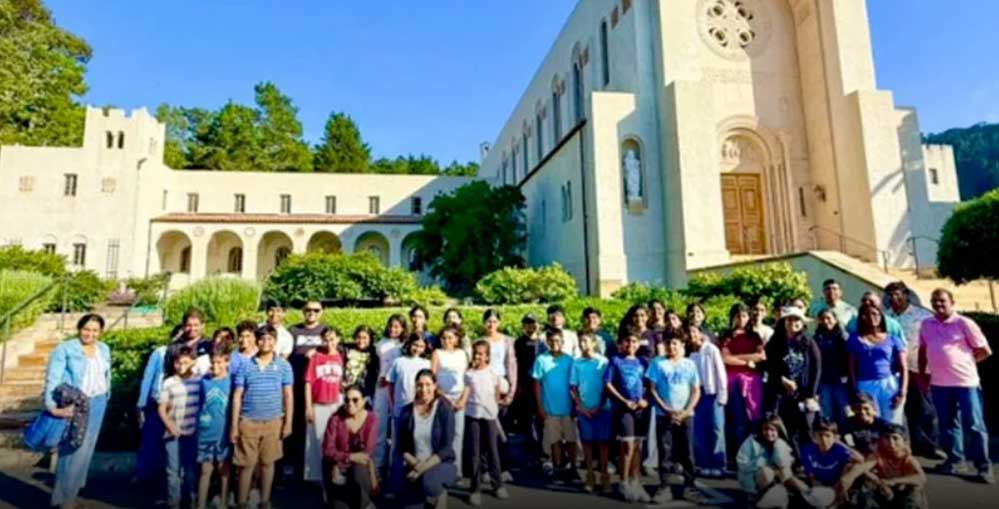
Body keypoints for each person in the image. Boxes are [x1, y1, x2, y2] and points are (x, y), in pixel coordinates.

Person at [918, 288, 994, 483]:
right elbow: (923, 350)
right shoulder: (926, 324)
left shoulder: (964, 323)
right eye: (934, 301)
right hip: (939, 384)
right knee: (948, 425)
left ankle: (983, 467)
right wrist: (923, 375)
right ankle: (955, 460)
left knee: (975, 425)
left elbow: (985, 350)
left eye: (942, 300)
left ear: (952, 302)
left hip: (965, 384)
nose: (938, 304)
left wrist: (967, 363)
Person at [45, 314, 111, 509]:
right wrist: (52, 407)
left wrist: (107, 395)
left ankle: (64, 497)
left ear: (100, 332)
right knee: (73, 449)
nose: (90, 334)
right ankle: (65, 500)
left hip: (98, 402)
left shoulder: (104, 349)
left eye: (95, 330)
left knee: (87, 449)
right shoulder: (65, 349)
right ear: (79, 329)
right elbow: (53, 379)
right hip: (77, 405)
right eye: (86, 329)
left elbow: (106, 375)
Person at [230, 325, 294, 509]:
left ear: (275, 342)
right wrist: (234, 426)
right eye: (262, 339)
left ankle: (265, 500)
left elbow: (288, 395)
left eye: (270, 339)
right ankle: (242, 502)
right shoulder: (246, 365)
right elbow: (237, 396)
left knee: (267, 463)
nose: (266, 342)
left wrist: (288, 423)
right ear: (256, 341)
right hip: (248, 422)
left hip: (273, 422)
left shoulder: (283, 366)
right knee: (246, 465)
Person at [884, 282, 941, 459]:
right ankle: (909, 445)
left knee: (925, 409)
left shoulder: (922, 316)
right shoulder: (886, 317)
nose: (894, 298)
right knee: (904, 409)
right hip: (896, 370)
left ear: (906, 295)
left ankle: (929, 446)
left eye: (898, 294)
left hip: (919, 368)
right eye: (891, 295)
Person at [645, 333, 701, 504]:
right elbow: (652, 389)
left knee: (687, 452)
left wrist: (686, 411)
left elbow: (696, 390)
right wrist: (666, 409)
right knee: (665, 452)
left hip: (686, 415)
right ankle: (664, 487)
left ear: (682, 345)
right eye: (668, 343)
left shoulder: (690, 364)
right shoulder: (657, 363)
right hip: (664, 415)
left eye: (675, 343)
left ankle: (690, 487)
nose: (671, 347)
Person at [394, 369, 458, 509]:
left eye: (428, 384)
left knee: (429, 484)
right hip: (414, 464)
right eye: (420, 385)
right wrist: (417, 465)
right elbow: (401, 446)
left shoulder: (444, 408)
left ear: (435, 386)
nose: (423, 389)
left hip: (439, 463)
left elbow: (446, 449)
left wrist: (421, 469)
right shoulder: (406, 411)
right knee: (403, 496)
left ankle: (440, 492)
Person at [459, 340, 509, 505]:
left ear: (487, 356)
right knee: (475, 452)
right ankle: (475, 489)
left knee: (493, 450)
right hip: (473, 415)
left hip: (489, 417)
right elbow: (466, 393)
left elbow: (498, 393)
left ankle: (497, 485)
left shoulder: (493, 373)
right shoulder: (469, 374)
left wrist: (494, 407)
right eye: (476, 354)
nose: (478, 357)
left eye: (481, 354)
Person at [765, 307, 822, 445]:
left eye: (796, 320)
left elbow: (816, 368)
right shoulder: (776, 340)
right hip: (782, 393)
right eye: (789, 319)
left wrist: (811, 395)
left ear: (802, 323)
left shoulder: (809, 342)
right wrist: (781, 378)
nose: (793, 323)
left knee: (806, 429)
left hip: (803, 394)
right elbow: (768, 364)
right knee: (785, 429)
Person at [604, 334, 650, 503]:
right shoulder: (615, 360)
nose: (630, 344)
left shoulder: (643, 362)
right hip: (623, 409)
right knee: (627, 445)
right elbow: (608, 383)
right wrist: (624, 401)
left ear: (638, 344)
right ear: (622, 343)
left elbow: (649, 384)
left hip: (640, 410)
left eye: (634, 341)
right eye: (627, 341)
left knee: (638, 446)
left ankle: (635, 482)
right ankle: (623, 482)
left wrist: (645, 400)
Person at [287, 301, 328, 482]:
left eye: (316, 310)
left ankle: (315, 468)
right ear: (303, 311)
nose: (312, 313)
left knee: (316, 427)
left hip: (317, 387)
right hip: (296, 385)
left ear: (321, 312)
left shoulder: (326, 330)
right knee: (296, 426)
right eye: (308, 310)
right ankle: (295, 467)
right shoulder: (293, 331)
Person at [840, 424, 928, 508]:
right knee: (865, 484)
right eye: (887, 437)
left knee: (915, 488)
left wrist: (893, 481)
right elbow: (862, 467)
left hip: (903, 494)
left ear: (904, 441)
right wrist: (848, 477)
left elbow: (922, 477)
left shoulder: (907, 459)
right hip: (884, 491)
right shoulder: (879, 454)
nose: (891, 442)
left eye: (895, 438)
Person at [847, 303, 907, 425]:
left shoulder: (893, 339)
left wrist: (902, 391)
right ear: (862, 317)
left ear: (881, 317)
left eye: (875, 314)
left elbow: (903, 367)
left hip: (888, 384)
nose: (871, 317)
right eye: (867, 314)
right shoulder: (854, 339)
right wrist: (854, 389)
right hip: (865, 385)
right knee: (871, 421)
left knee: (892, 422)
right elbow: (851, 366)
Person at [159, 346, 202, 509]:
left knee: (190, 469)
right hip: (172, 432)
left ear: (193, 362)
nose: (181, 366)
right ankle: (173, 502)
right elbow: (161, 408)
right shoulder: (169, 382)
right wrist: (169, 426)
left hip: (192, 432)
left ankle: (191, 499)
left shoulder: (199, 381)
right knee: (173, 470)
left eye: (186, 362)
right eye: (178, 362)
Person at [387, 334, 432, 488]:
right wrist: (393, 404)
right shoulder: (399, 362)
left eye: (421, 346)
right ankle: (395, 480)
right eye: (415, 345)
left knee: (418, 445)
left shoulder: (427, 363)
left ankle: (418, 478)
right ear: (409, 344)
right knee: (398, 445)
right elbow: (391, 384)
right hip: (400, 410)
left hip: (420, 411)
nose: (417, 348)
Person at [323, 385, 379, 509]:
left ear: (364, 401)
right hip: (336, 468)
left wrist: (342, 459)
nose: (350, 404)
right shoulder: (335, 419)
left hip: (359, 470)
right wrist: (349, 457)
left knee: (358, 470)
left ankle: (366, 505)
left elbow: (367, 453)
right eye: (347, 400)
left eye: (355, 400)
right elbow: (327, 450)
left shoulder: (371, 419)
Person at [532, 328, 577, 481]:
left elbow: (574, 384)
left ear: (563, 342)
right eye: (551, 341)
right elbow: (537, 385)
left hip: (568, 407)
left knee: (571, 440)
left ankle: (573, 467)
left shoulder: (570, 360)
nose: (554, 343)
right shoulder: (541, 359)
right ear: (547, 342)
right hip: (550, 407)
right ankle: (558, 467)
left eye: (557, 340)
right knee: (554, 440)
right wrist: (540, 406)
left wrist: (576, 405)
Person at [570, 333, 611, 494]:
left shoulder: (603, 362)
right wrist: (581, 406)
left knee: (603, 444)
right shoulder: (576, 362)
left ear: (593, 343)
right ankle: (590, 476)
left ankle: (605, 476)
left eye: (585, 341)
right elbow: (573, 387)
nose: (582, 344)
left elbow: (608, 386)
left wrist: (598, 406)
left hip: (603, 408)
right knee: (587, 443)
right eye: (581, 341)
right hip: (584, 409)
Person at [721, 303, 766, 451]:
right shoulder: (727, 336)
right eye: (738, 316)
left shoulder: (754, 336)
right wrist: (748, 361)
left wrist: (737, 357)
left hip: (753, 382)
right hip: (733, 382)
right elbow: (725, 358)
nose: (741, 319)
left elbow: (761, 356)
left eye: (744, 315)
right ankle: (739, 453)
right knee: (737, 418)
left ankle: (756, 452)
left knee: (754, 417)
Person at [304, 328, 345, 487]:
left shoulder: (340, 356)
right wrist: (308, 406)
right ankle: (319, 477)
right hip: (319, 404)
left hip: (336, 404)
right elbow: (308, 382)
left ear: (338, 339)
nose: (329, 343)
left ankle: (335, 473)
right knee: (319, 441)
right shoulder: (316, 357)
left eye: (332, 339)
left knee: (336, 441)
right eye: (326, 340)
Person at [687, 324, 727, 478]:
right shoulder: (690, 354)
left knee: (716, 428)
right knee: (700, 430)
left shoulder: (711, 349)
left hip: (713, 393)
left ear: (700, 333)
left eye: (694, 331)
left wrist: (722, 394)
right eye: (689, 332)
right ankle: (703, 463)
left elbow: (720, 372)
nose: (691, 334)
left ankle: (718, 464)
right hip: (697, 395)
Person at [795, 418, 862, 508]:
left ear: (835, 437)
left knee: (852, 467)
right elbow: (810, 472)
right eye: (820, 435)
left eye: (827, 436)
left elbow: (860, 459)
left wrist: (838, 442)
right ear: (814, 437)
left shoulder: (840, 449)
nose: (824, 440)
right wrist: (817, 488)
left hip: (837, 483)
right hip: (819, 482)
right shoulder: (807, 449)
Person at [735, 415, 799, 509]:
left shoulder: (781, 443)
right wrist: (760, 463)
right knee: (766, 472)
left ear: (778, 430)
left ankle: (783, 495)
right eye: (765, 429)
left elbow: (784, 463)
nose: (769, 433)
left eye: (772, 430)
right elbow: (742, 463)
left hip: (774, 477)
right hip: (751, 477)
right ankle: (756, 496)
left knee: (785, 471)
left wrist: (777, 446)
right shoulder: (752, 441)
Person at [196, 349, 233, 509]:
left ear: (227, 362)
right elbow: (200, 404)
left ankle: (223, 502)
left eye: (219, 362)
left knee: (224, 470)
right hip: (205, 433)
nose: (215, 365)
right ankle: (200, 504)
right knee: (205, 470)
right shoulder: (204, 381)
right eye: (213, 362)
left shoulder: (231, 381)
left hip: (224, 433)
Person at [431, 325, 469, 476]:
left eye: (450, 337)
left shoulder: (462, 354)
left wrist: (462, 400)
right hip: (442, 398)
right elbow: (433, 380)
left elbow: (468, 378)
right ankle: (442, 468)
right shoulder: (437, 353)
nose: (446, 340)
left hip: (460, 398)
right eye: (444, 338)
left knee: (458, 434)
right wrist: (445, 399)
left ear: (456, 339)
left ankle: (457, 469)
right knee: (443, 434)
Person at [373, 314, 406, 476]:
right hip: (381, 388)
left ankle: (395, 467)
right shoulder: (380, 344)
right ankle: (378, 465)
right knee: (379, 426)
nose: (393, 329)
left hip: (398, 388)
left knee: (396, 428)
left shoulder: (405, 345)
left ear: (403, 328)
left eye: (397, 327)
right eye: (391, 326)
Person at [511, 313, 544, 460]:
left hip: (541, 386)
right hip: (525, 387)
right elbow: (515, 365)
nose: (531, 326)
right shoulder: (518, 343)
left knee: (541, 419)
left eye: (533, 323)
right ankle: (532, 452)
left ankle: (543, 452)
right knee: (528, 420)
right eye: (527, 323)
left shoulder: (543, 344)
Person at [814, 309, 851, 425]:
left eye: (828, 318)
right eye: (823, 319)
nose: (826, 321)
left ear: (835, 319)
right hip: (824, 380)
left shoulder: (844, 336)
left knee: (844, 410)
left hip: (841, 380)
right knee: (827, 411)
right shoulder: (817, 338)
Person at [166, 309, 212, 378]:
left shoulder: (209, 345)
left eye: (196, 325)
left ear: (203, 325)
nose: (192, 328)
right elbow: (168, 370)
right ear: (183, 326)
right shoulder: (173, 347)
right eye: (189, 325)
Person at [342, 325, 379, 402]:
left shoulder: (375, 353)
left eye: (364, 338)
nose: (361, 341)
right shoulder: (346, 349)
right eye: (358, 337)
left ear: (370, 339)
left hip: (366, 393)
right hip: (347, 391)